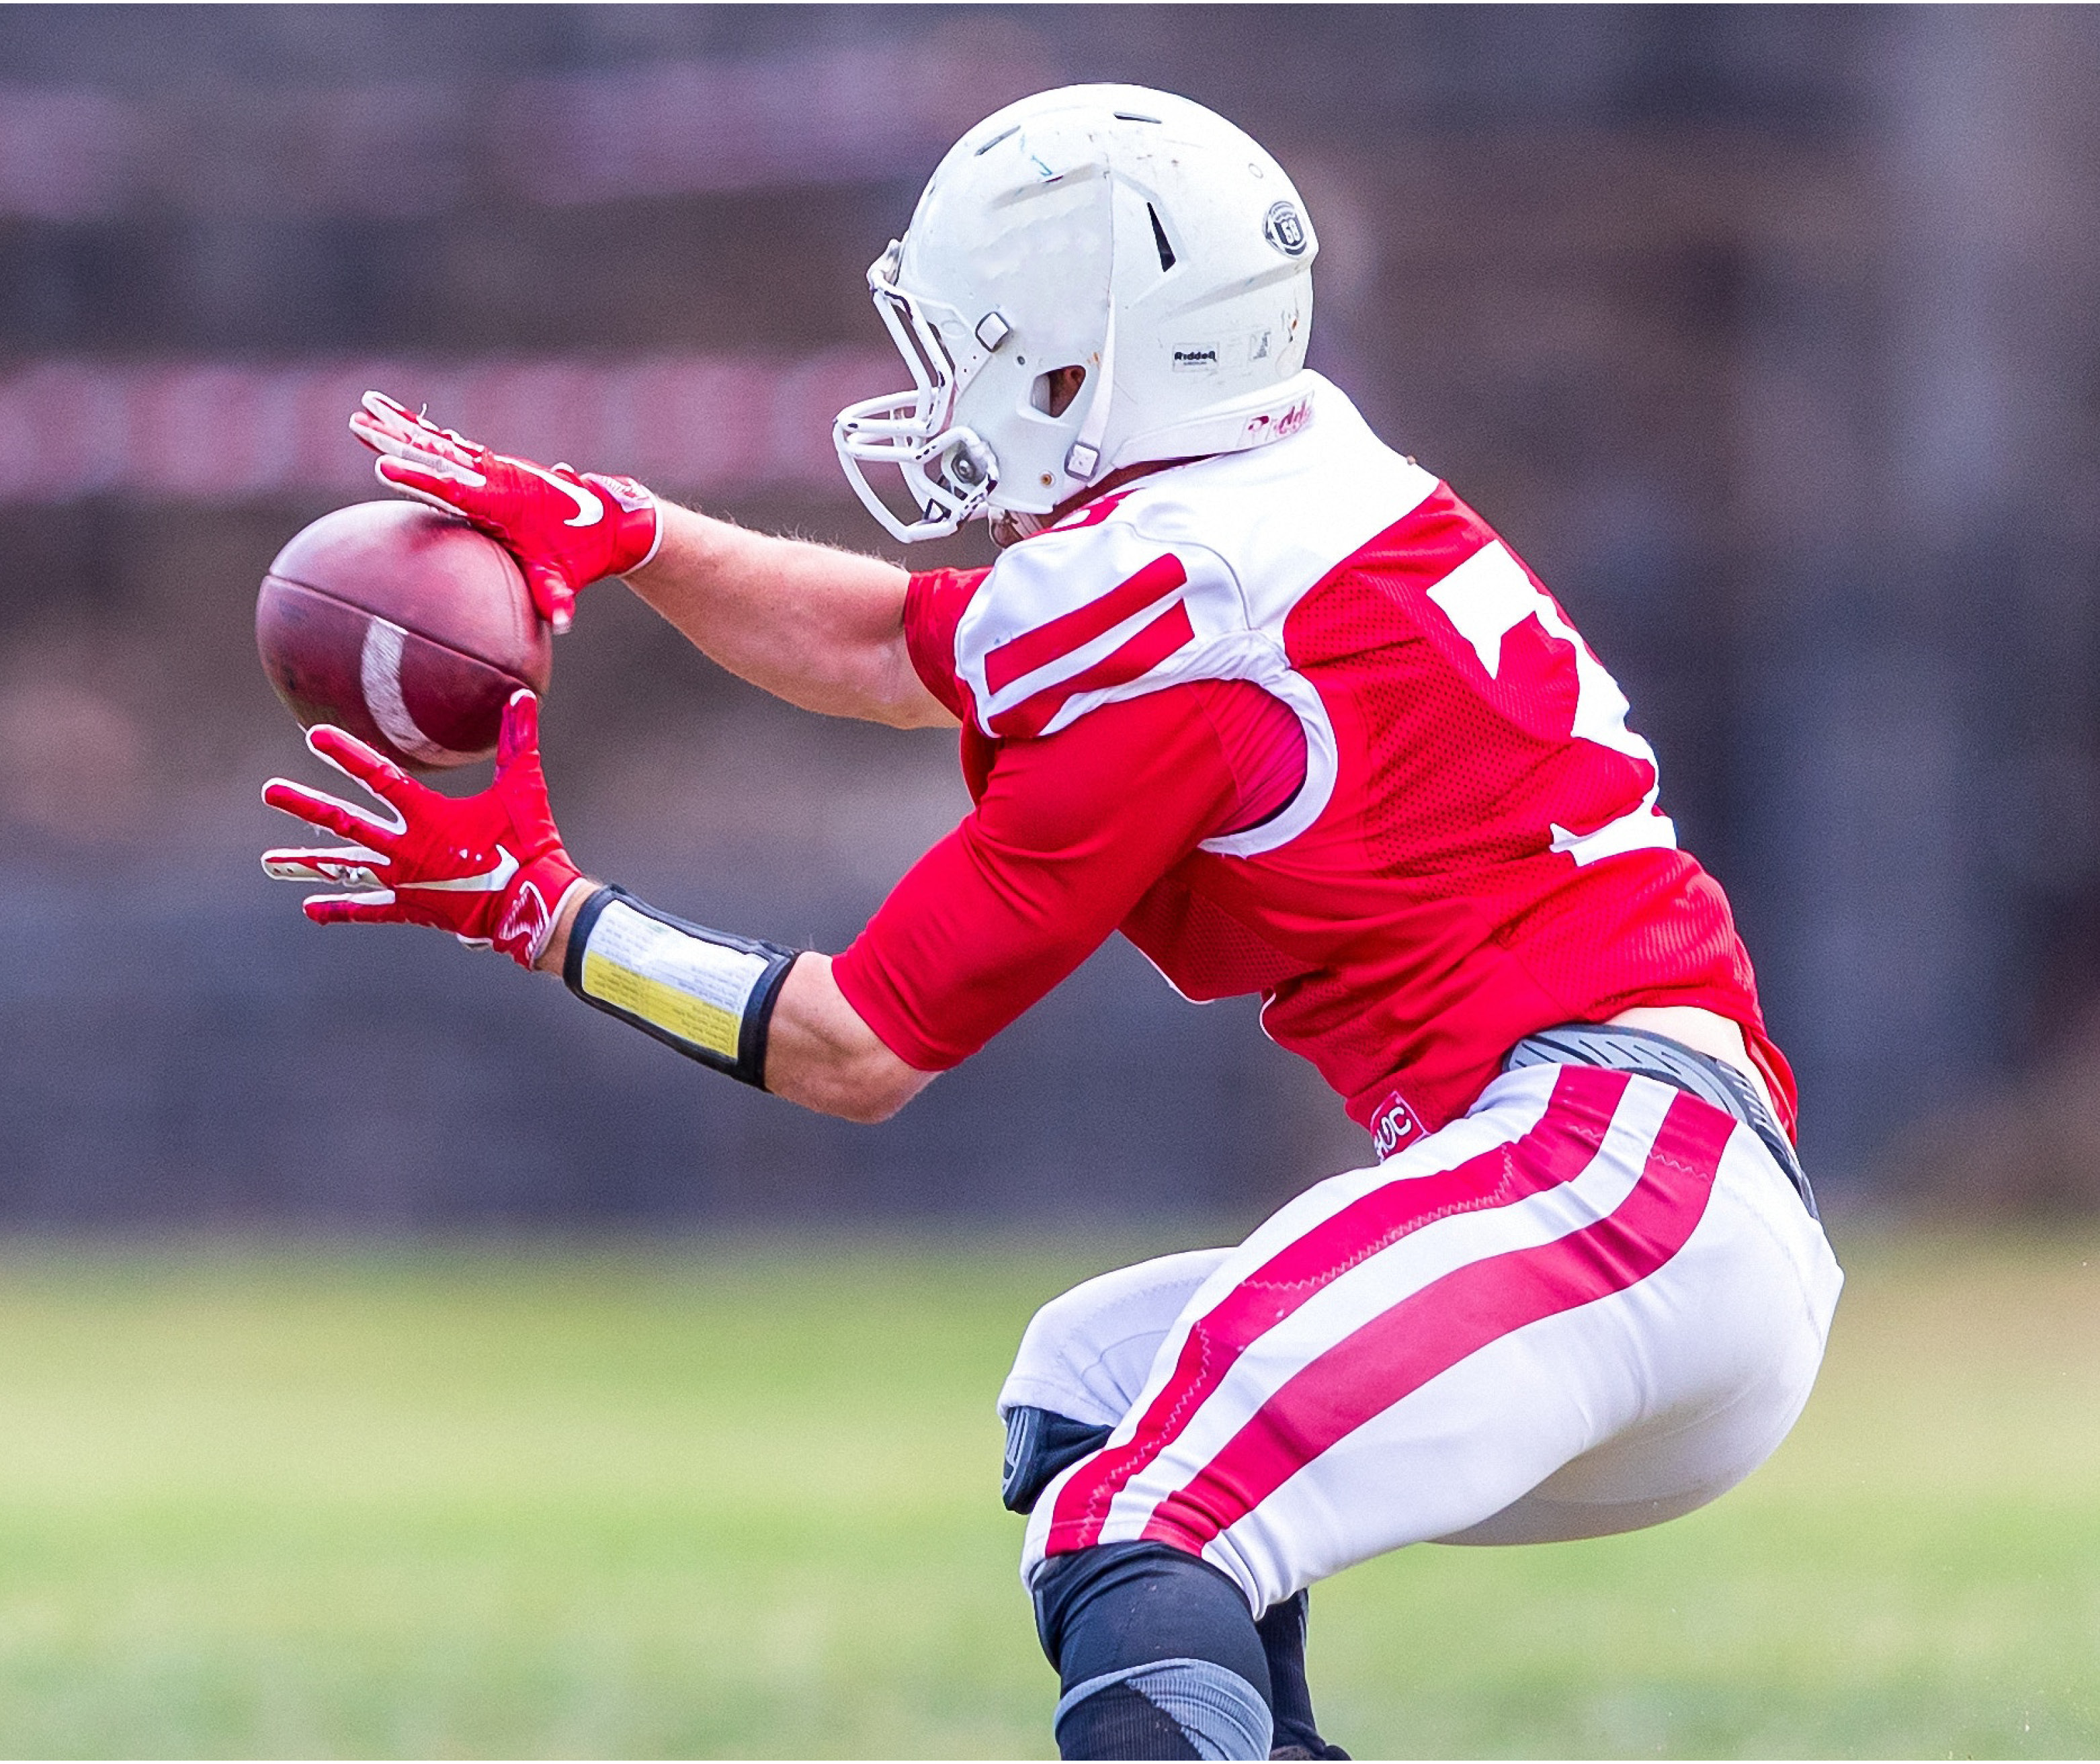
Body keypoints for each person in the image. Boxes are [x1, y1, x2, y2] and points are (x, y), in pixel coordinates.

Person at [261, 84, 1843, 1763]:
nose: (943, 390)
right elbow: (894, 646)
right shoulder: (1274, 485)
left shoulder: (1183, 611)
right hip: (1642, 1189)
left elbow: (851, 1047)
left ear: (1084, 364)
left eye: (973, 344)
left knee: (1143, 1523)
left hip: (1604, 1178)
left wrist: (543, 913)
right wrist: (638, 533)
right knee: (1092, 1383)